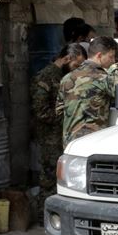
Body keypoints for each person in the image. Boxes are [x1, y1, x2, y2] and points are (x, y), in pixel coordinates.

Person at [31, 44, 87, 223]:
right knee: (49, 177)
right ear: (67, 59)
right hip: (50, 137)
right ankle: (44, 218)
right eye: (76, 65)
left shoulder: (64, 77)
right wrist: (66, 116)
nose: (77, 70)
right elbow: (41, 111)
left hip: (63, 136)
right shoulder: (45, 77)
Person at [56, 36, 117, 147]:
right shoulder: (105, 78)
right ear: (99, 56)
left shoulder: (66, 78)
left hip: (70, 142)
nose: (113, 61)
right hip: (94, 141)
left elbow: (59, 111)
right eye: (111, 57)